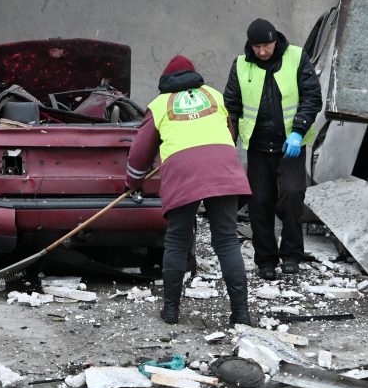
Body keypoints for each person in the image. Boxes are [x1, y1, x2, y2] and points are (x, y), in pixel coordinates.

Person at [127, 55, 253, 326]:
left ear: (165, 81)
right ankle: (241, 314)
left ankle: (171, 311)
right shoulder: (214, 95)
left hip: (183, 173)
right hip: (222, 168)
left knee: (177, 240)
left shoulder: (160, 105)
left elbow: (139, 152)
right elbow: (230, 134)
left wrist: (133, 182)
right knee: (226, 241)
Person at [223, 19, 322, 280]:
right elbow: (231, 105)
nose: (262, 51)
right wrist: (227, 142)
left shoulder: (296, 57)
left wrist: (298, 131)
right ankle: (266, 259)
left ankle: (291, 255)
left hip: (290, 145)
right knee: (259, 202)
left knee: (292, 195)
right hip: (257, 146)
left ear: (275, 41)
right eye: (257, 47)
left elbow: (312, 96)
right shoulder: (241, 65)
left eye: (266, 46)